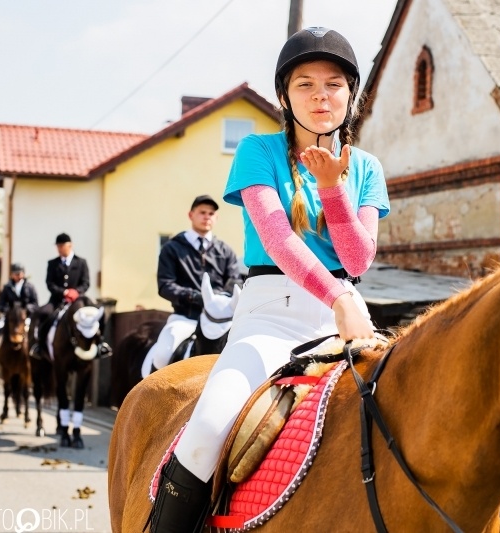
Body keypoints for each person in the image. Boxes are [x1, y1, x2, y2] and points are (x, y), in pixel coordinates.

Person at [147, 27, 390, 533]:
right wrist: (339, 294)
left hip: (344, 322)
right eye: (305, 84)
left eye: (334, 83)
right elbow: (278, 240)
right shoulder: (257, 151)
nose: (321, 95)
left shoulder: (366, 167)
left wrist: (332, 189)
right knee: (208, 428)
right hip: (269, 318)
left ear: (353, 95)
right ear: (284, 95)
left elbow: (358, 258)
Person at [140, 194, 243, 377]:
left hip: (220, 321)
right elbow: (165, 285)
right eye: (202, 212)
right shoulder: (172, 248)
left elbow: (235, 280)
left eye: (211, 213)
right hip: (185, 318)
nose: (207, 216)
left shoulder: (225, 251)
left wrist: (219, 301)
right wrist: (197, 297)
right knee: (163, 354)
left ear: (216, 218)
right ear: (191, 215)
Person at [31, 233, 95, 358]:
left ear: (70, 245)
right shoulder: (52, 263)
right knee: (42, 313)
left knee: (95, 313)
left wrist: (76, 292)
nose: (59, 248)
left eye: (62, 246)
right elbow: (50, 284)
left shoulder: (81, 262)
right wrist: (64, 292)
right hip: (57, 300)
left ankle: (99, 344)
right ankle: (39, 345)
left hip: (77, 300)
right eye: (58, 246)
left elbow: (86, 283)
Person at [0, 263, 39, 375]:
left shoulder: (30, 287)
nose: (17, 276)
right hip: (10, 319)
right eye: (15, 274)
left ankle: (34, 362)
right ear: (12, 275)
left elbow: (35, 304)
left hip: (25, 319)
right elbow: (1, 305)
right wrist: (9, 311)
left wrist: (24, 310)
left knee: (35, 336)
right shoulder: (7, 287)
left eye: (19, 273)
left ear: (23, 274)